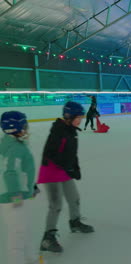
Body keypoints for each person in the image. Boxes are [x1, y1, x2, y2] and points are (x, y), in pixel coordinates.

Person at [38, 102, 94, 253]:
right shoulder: (58, 131)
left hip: (64, 170)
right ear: (69, 117)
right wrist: (67, 165)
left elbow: (71, 152)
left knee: (74, 197)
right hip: (51, 171)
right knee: (56, 205)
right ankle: (48, 238)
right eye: (79, 117)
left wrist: (75, 168)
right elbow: (50, 153)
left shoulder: (71, 130)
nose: (80, 120)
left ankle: (75, 223)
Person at [0, 111, 41, 264]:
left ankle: (32, 258)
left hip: (18, 194)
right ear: (15, 128)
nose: (27, 129)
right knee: (17, 234)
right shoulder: (15, 148)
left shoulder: (11, 143)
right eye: (24, 126)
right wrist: (16, 194)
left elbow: (23, 171)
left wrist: (31, 187)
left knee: (25, 229)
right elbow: (10, 172)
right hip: (12, 197)